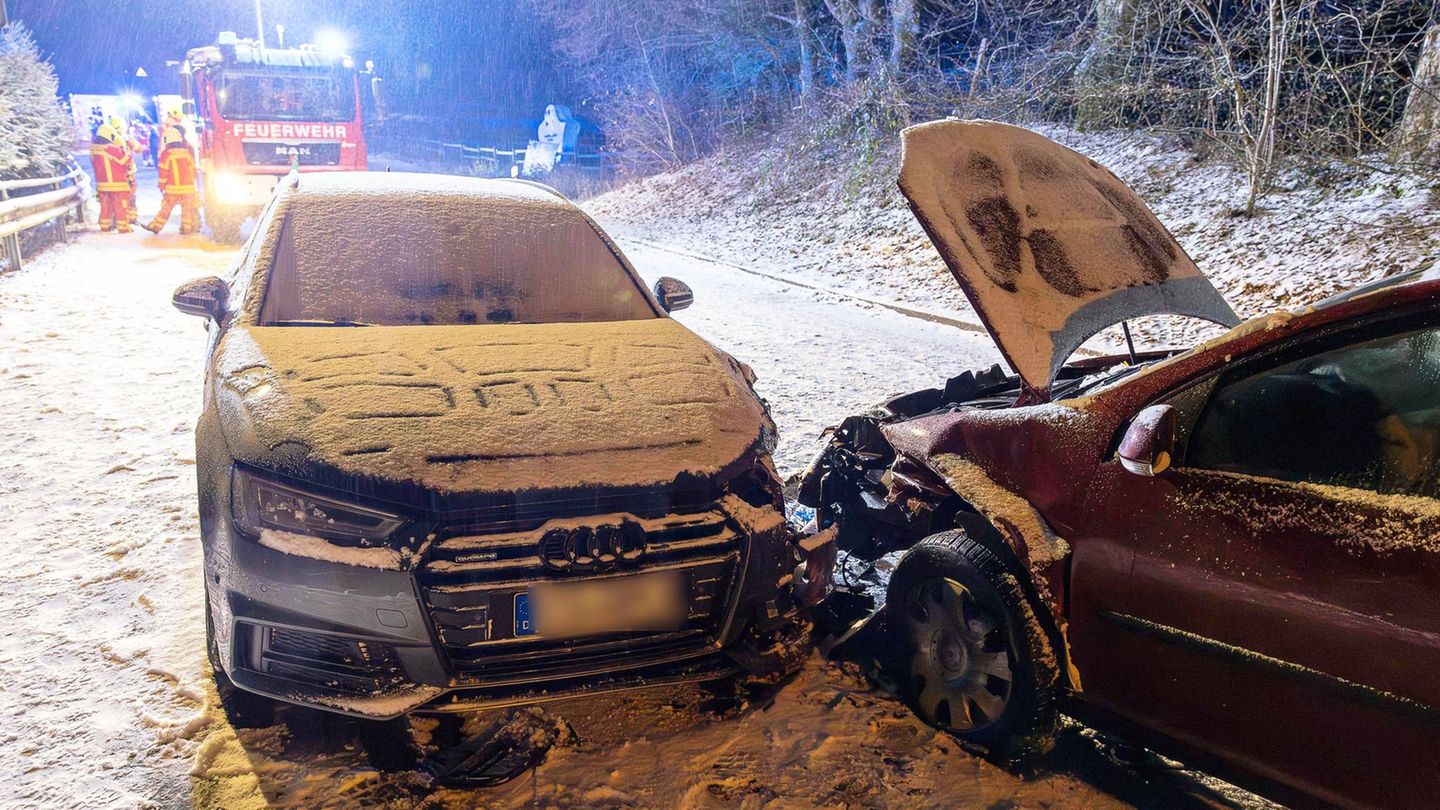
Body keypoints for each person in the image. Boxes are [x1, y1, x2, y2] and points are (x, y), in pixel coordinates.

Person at [142, 127, 199, 235]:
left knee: (166, 208)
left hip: (173, 188)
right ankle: (187, 228)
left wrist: (161, 185)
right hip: (188, 187)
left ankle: (156, 226)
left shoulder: (166, 154)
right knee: (187, 209)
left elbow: (163, 172)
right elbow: (193, 169)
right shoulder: (187, 153)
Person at [89, 123, 134, 233]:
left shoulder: (93, 149)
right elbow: (127, 159)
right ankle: (123, 227)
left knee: (105, 206)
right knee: (121, 206)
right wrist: (120, 144)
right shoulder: (110, 149)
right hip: (118, 184)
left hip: (102, 184)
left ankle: (105, 226)